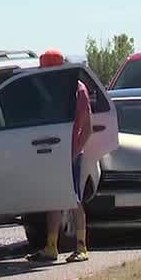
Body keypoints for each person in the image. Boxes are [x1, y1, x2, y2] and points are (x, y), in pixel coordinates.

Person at [28, 49, 93, 264]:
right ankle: (51, 247)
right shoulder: (45, 88)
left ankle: (81, 247)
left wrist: (74, 152)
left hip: (71, 154)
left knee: (74, 199)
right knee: (53, 198)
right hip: (51, 152)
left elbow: (87, 127)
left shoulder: (77, 89)